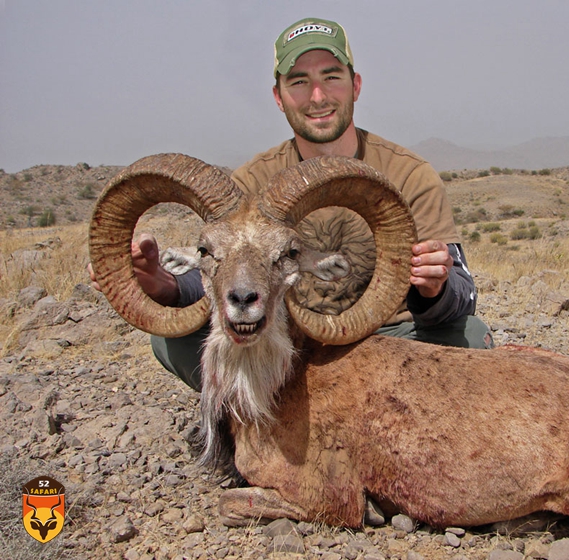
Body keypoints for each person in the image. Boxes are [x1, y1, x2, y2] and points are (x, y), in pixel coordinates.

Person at [89, 17, 494, 391]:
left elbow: (463, 293)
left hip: (382, 340)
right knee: (169, 341)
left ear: (355, 85)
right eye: (298, 82)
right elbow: (231, 275)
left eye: (331, 77)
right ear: (279, 97)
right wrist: (167, 286)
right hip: (283, 341)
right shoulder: (249, 184)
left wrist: (434, 288)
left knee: (471, 338)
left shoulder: (408, 175)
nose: (317, 96)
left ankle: (293, 410)